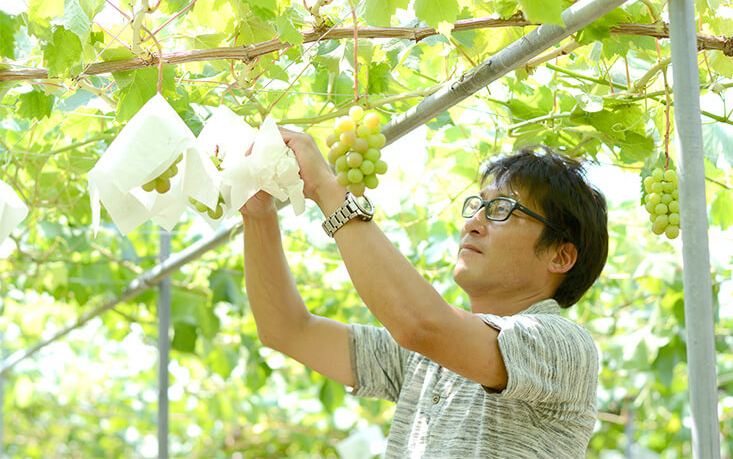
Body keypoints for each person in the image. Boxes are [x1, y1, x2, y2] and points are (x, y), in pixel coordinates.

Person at [241, 132, 609, 458]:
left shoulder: (564, 346)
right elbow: (286, 330)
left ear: (560, 255)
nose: (472, 223)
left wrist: (326, 187)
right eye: (477, 206)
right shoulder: (426, 360)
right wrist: (258, 216)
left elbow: (420, 324)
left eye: (501, 209)